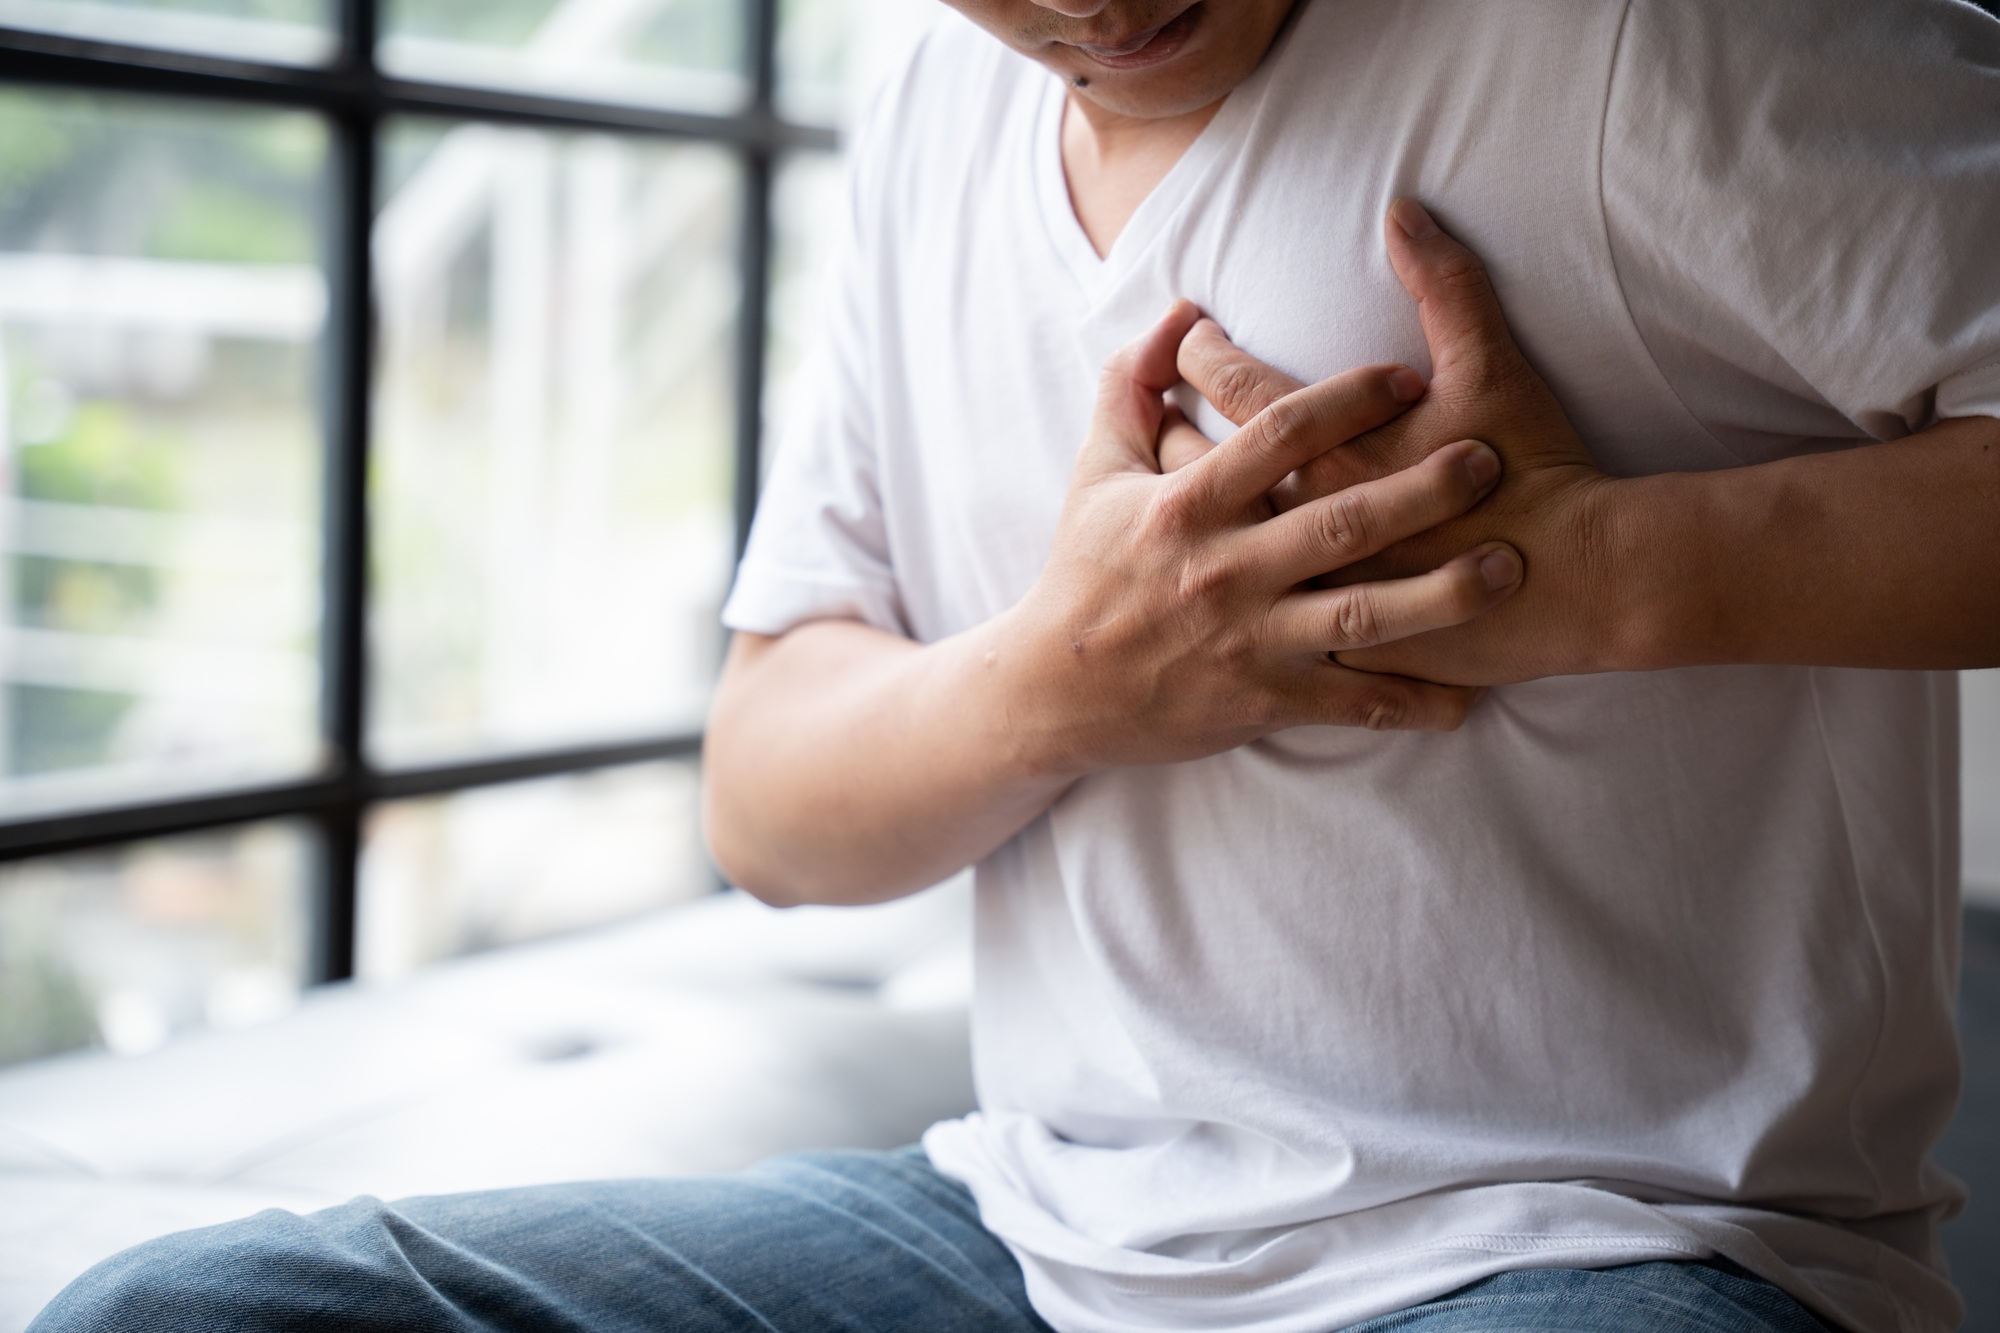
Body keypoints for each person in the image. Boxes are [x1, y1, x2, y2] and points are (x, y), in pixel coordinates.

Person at [32, 1, 2000, 1331]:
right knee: (178, 1315)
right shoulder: (930, 102)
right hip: (1035, 1243)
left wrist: (1591, 576)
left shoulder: (1642, 38)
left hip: (1602, 1244)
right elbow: (773, 798)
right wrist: (1074, 672)